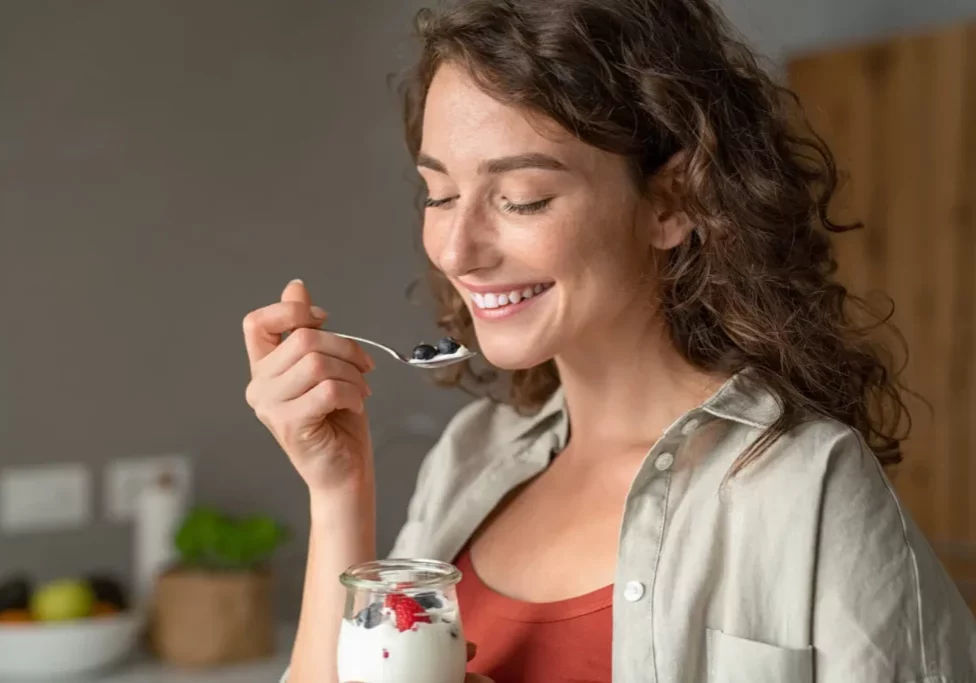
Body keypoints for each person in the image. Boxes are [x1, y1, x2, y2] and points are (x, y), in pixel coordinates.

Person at [244, 1, 976, 681]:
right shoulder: (469, 457)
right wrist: (340, 492)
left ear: (672, 201)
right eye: (439, 193)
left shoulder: (808, 489)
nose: (458, 248)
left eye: (521, 197)